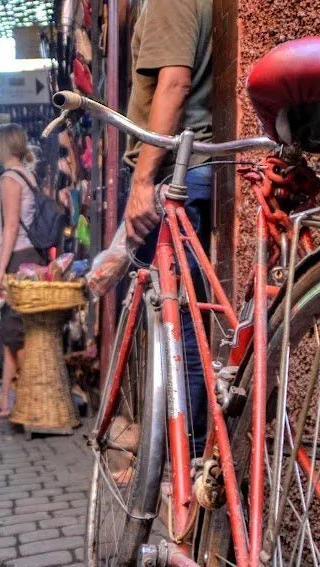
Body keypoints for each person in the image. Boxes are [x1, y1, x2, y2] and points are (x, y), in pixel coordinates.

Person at [121, 0, 213, 453]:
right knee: (187, 321)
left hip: (181, 171)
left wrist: (142, 180)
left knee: (186, 331)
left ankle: (187, 465)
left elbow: (173, 83)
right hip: (195, 168)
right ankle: (176, 457)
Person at [0, 124, 41, 418]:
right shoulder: (27, 175)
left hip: (16, 259)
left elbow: (10, 226)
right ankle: (6, 397)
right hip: (25, 254)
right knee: (14, 330)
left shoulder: (10, 178)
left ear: (4, 145)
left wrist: (0, 268)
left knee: (13, 330)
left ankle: (31, 396)